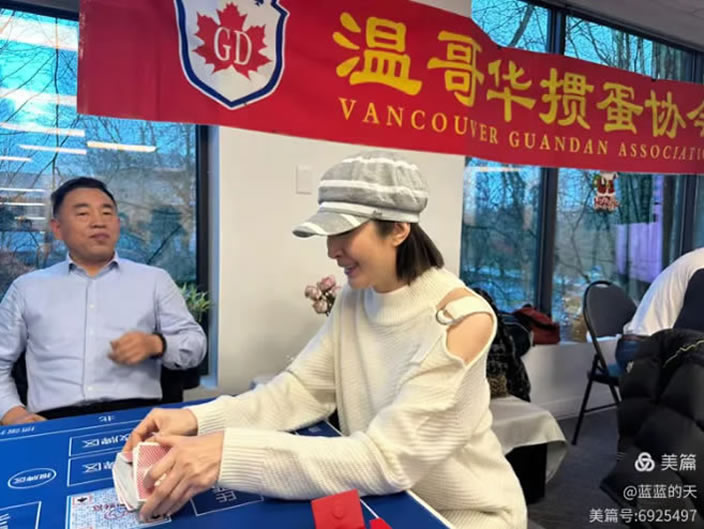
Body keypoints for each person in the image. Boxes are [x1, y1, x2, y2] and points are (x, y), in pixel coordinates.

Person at [123, 151, 527, 529]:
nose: (332, 249)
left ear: (399, 229)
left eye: (344, 231)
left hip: (463, 513)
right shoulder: (356, 297)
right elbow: (301, 390)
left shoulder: (462, 319)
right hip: (389, 499)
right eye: (328, 234)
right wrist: (198, 420)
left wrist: (224, 455)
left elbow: (386, 459)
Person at [0, 177, 207, 425]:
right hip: (53, 421)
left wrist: (157, 344)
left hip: (139, 418)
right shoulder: (27, 288)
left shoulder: (154, 280)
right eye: (83, 213)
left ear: (118, 224)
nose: (98, 221)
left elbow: (195, 345)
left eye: (107, 212)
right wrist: (12, 413)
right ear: (57, 228)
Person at [616, 247, 704, 371]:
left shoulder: (698, 260)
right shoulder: (700, 269)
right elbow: (692, 335)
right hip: (644, 352)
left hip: (655, 347)